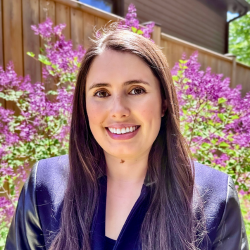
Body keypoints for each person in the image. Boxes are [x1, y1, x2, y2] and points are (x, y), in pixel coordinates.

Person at [5, 26, 249, 250]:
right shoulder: (44, 186)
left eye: (136, 90)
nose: (118, 110)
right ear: (84, 105)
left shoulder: (215, 196)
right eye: (101, 93)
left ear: (163, 103)